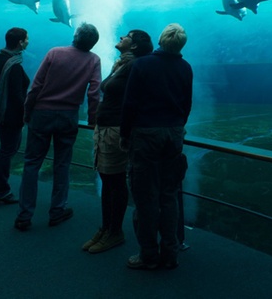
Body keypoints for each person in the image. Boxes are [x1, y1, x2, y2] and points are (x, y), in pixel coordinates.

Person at [14, 22, 102, 231]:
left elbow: (36, 86)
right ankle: (57, 211)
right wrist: (92, 120)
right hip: (68, 116)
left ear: (76, 36)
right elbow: (94, 92)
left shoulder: (55, 52)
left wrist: (27, 113)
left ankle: (24, 215)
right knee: (62, 164)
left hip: (41, 114)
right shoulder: (94, 60)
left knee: (32, 163)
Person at [121, 23, 192, 270]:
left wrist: (124, 134)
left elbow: (129, 104)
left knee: (145, 196)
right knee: (169, 194)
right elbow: (186, 105)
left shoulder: (142, 65)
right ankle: (170, 253)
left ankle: (148, 254)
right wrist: (176, 128)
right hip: (173, 134)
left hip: (146, 134)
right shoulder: (185, 67)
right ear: (181, 45)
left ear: (161, 40)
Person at [82, 29, 153, 254]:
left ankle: (114, 232)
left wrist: (125, 131)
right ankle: (106, 228)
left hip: (115, 129)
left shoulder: (134, 66)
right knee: (107, 180)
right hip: (106, 128)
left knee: (114, 182)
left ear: (134, 46)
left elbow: (135, 100)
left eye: (127, 36)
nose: (122, 37)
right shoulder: (122, 64)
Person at [0, 27, 30, 206]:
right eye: (26, 39)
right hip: (9, 116)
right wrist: (27, 114)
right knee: (7, 151)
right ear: (20, 42)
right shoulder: (14, 65)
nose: (28, 41)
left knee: (6, 150)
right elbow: (17, 96)